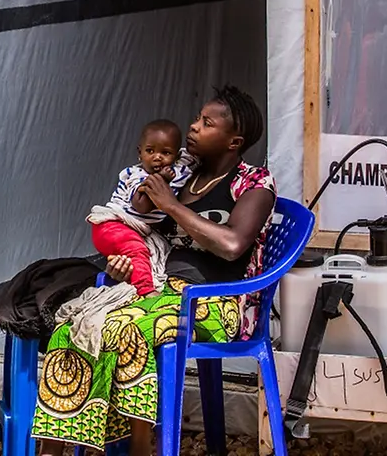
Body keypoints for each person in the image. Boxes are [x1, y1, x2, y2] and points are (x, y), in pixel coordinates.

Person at [32, 86, 276, 455]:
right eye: (196, 118)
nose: (192, 127)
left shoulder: (253, 183)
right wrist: (123, 264)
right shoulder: (181, 177)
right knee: (75, 328)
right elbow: (145, 236)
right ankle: (53, 449)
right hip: (158, 289)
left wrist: (172, 206)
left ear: (233, 141)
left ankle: (139, 447)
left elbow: (231, 246)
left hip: (217, 301)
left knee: (123, 329)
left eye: (206, 123)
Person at [86, 119, 196, 296]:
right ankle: (145, 290)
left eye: (165, 152)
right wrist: (162, 180)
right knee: (137, 251)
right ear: (140, 153)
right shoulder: (135, 175)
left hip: (134, 231)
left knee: (148, 255)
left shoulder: (180, 169)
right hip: (112, 226)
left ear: (176, 156)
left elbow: (195, 157)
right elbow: (141, 206)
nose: (157, 157)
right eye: (150, 151)